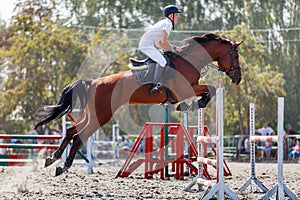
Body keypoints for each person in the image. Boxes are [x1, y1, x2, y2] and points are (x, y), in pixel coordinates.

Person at [139, 5, 183, 94]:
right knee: (163, 62)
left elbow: (159, 43)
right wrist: (175, 48)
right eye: (176, 15)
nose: (177, 17)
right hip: (147, 45)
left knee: (162, 58)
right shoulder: (168, 24)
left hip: (147, 44)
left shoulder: (164, 22)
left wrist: (170, 49)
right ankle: (155, 85)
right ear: (171, 16)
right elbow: (164, 42)